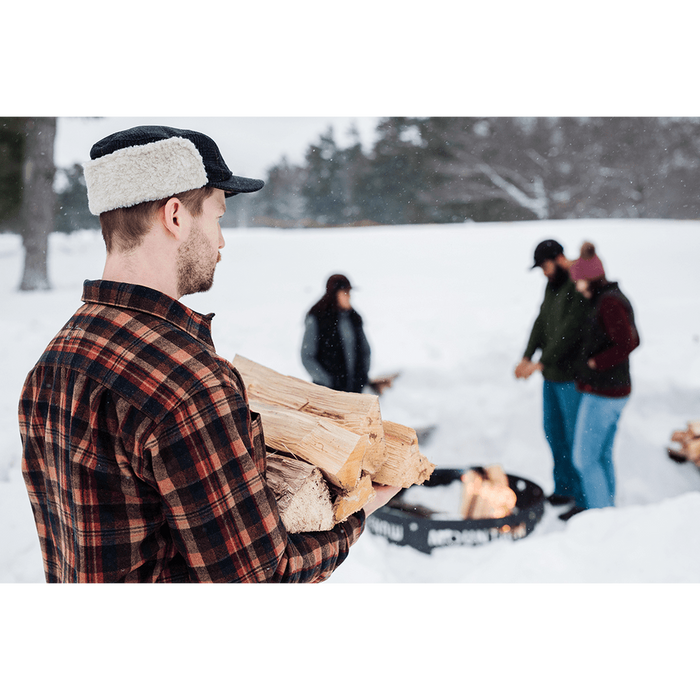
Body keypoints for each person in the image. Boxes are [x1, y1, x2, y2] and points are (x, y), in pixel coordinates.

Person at [18, 126, 400, 586]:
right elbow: (260, 577)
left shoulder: (56, 359)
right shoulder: (189, 384)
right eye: (217, 217)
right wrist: (357, 513)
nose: (222, 243)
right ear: (175, 216)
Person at [560, 242, 640, 521]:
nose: (578, 287)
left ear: (590, 279)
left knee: (584, 458)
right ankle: (607, 514)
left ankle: (599, 522)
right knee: (601, 455)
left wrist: (596, 363)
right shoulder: (609, 298)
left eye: (579, 281)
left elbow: (628, 342)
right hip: (612, 390)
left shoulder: (608, 303)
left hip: (604, 393)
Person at [515, 239, 589, 508]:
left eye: (545, 266)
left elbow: (571, 330)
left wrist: (541, 362)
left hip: (571, 378)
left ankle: (582, 499)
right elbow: (541, 320)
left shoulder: (577, 283)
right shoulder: (552, 284)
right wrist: (527, 355)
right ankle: (564, 488)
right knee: (553, 433)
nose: (544, 272)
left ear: (558, 259)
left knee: (574, 438)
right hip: (551, 377)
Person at [301, 274, 371, 393]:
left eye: (349, 292)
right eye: (345, 292)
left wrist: (362, 376)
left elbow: (365, 351)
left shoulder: (354, 318)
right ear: (334, 294)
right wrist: (326, 381)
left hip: (354, 391)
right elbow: (307, 356)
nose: (349, 296)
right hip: (327, 394)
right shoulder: (318, 318)